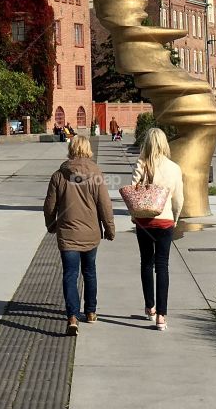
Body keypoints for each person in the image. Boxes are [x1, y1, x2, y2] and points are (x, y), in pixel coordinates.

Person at [43, 135, 116, 336]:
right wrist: (109, 229)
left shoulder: (59, 175)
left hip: (67, 233)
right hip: (91, 233)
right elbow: (105, 206)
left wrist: (51, 225)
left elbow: (49, 205)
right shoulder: (96, 174)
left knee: (70, 274)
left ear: (71, 149)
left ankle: (72, 317)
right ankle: (91, 312)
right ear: (88, 150)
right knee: (90, 271)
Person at [128, 127, 183, 332]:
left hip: (144, 223)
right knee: (162, 266)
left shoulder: (142, 164)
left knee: (146, 263)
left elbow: (133, 192)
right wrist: (175, 218)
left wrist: (135, 216)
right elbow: (179, 199)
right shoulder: (174, 168)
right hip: (165, 221)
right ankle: (161, 316)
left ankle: (149, 307)